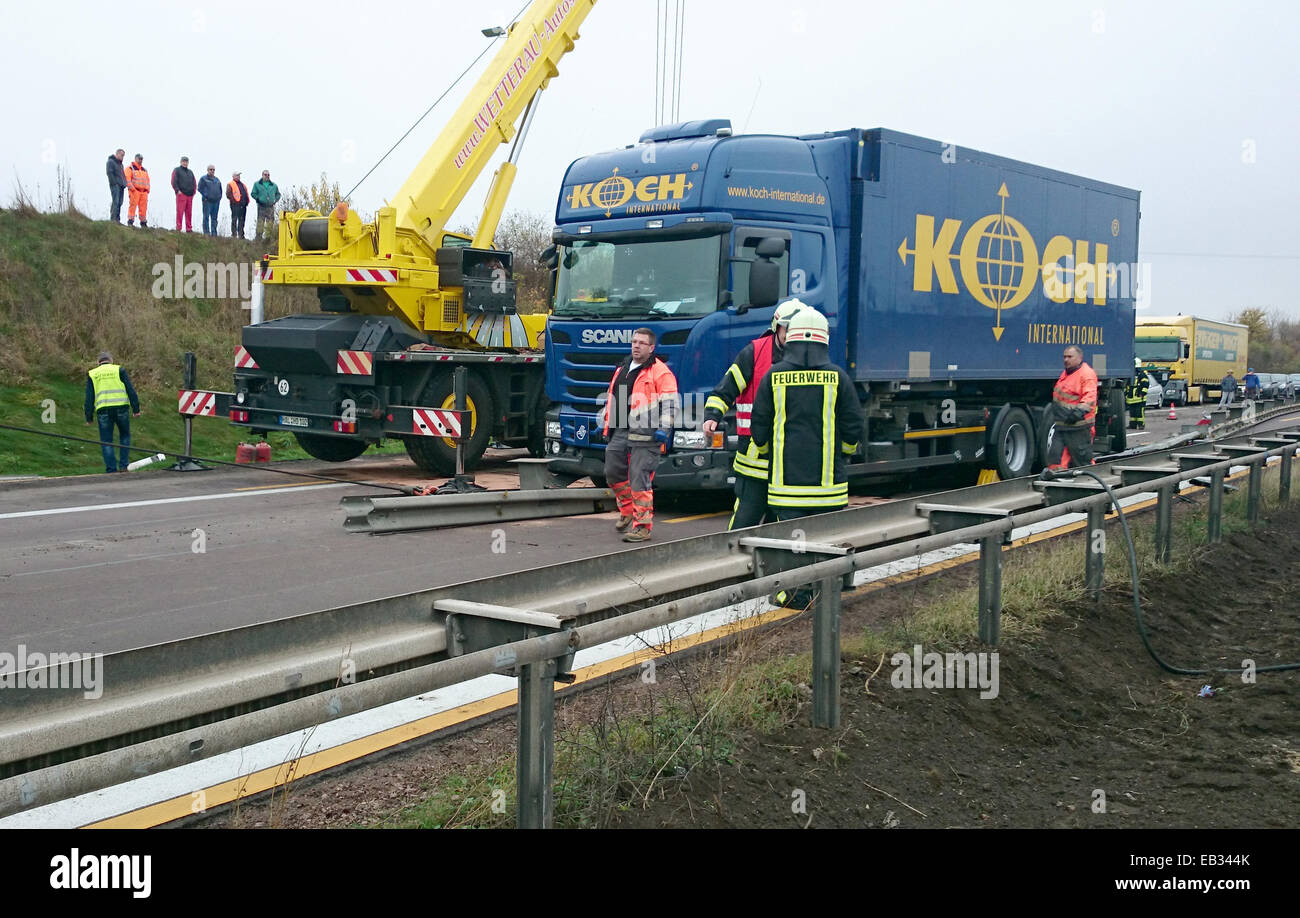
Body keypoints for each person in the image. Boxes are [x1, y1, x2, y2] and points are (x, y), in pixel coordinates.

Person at [702, 297, 807, 528]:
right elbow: (726, 389)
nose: (793, 336)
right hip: (753, 458)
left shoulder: (810, 359)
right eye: (789, 329)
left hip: (790, 459)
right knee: (745, 518)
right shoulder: (755, 352)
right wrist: (712, 415)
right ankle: (732, 559)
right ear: (776, 327)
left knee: (782, 522)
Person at [750, 308, 862, 522]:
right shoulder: (838, 377)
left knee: (790, 547)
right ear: (825, 339)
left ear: (791, 338)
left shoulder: (773, 376)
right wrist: (844, 452)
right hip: (828, 493)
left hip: (785, 492)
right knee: (826, 548)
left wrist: (767, 452)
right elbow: (853, 425)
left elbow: (759, 424)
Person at [600, 327, 679, 542]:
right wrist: (606, 423)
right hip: (620, 430)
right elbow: (613, 397)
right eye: (634, 341)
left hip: (647, 435)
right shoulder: (623, 368)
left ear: (651, 348)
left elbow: (671, 404)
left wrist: (664, 428)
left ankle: (642, 526)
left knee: (639, 480)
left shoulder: (660, 372)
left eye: (642, 343)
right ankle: (627, 510)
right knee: (612, 473)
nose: (636, 345)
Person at [84, 351, 141, 474]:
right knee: (125, 436)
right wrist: (136, 409)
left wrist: (89, 417)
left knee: (106, 441)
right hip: (122, 408)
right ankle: (124, 466)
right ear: (111, 360)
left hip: (103, 410)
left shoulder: (93, 374)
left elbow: (89, 398)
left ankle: (111, 469)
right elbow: (130, 390)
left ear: (98, 362)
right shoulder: (119, 370)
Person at [1045, 344, 1098, 471]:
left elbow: (1089, 397)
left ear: (1079, 358)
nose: (1066, 360)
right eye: (1064, 357)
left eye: (1070, 357)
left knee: (1083, 460)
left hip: (1078, 426)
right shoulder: (1067, 373)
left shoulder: (1086, 374)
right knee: (1055, 458)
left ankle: (1090, 483)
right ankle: (1058, 482)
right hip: (1063, 425)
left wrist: (1078, 413)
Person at [251, 170, 281, 240]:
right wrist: (257, 199)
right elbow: (253, 193)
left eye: (268, 175)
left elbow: (278, 194)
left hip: (270, 207)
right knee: (260, 222)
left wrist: (275, 200)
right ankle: (258, 238)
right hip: (261, 206)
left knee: (270, 222)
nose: (267, 176)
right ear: (262, 175)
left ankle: (268, 238)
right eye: (265, 174)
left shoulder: (273, 185)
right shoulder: (257, 184)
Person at [171, 156, 197, 232]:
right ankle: (178, 227)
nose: (185, 163)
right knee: (180, 211)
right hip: (181, 194)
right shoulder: (177, 170)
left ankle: (189, 228)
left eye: (186, 161)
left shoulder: (190, 172)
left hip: (190, 195)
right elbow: (173, 181)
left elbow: (194, 182)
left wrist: (194, 192)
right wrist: (177, 191)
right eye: (183, 161)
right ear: (181, 162)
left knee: (189, 213)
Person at [124, 154, 150, 227]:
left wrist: (147, 190)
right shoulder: (130, 168)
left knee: (143, 208)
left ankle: (143, 223)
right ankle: (130, 221)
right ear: (135, 159)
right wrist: (133, 189)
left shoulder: (144, 170)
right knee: (133, 206)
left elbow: (148, 180)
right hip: (135, 191)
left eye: (141, 159)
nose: (140, 160)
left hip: (144, 192)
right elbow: (127, 179)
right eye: (139, 159)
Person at [1126, 356, 1149, 430]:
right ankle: (1132, 425)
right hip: (1131, 398)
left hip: (1139, 397)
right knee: (1132, 413)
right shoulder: (1131, 374)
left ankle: (1141, 425)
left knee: (1139, 412)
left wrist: (1142, 393)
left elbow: (1145, 384)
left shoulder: (1141, 374)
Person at [198, 165, 222, 236]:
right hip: (207, 201)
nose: (212, 171)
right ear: (207, 170)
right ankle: (206, 233)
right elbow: (199, 188)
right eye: (211, 169)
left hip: (216, 202)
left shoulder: (217, 180)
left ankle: (214, 233)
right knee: (206, 217)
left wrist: (219, 197)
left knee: (214, 218)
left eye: (213, 170)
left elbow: (220, 189)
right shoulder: (203, 178)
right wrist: (206, 195)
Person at [226, 172, 250, 238]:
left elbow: (246, 193)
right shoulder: (230, 184)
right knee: (234, 219)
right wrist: (234, 201)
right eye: (237, 175)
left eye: (239, 175)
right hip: (235, 205)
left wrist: (246, 202)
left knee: (242, 220)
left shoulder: (243, 185)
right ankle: (234, 234)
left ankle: (241, 235)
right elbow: (228, 194)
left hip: (243, 205)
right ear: (233, 176)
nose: (238, 176)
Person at [106, 149, 127, 223]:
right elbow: (109, 172)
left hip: (121, 185)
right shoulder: (111, 162)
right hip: (115, 185)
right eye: (122, 155)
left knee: (120, 203)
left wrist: (125, 183)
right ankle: (113, 219)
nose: (122, 157)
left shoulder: (121, 165)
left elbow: (123, 175)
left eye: (123, 156)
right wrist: (114, 183)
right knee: (116, 201)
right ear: (117, 154)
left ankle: (117, 220)